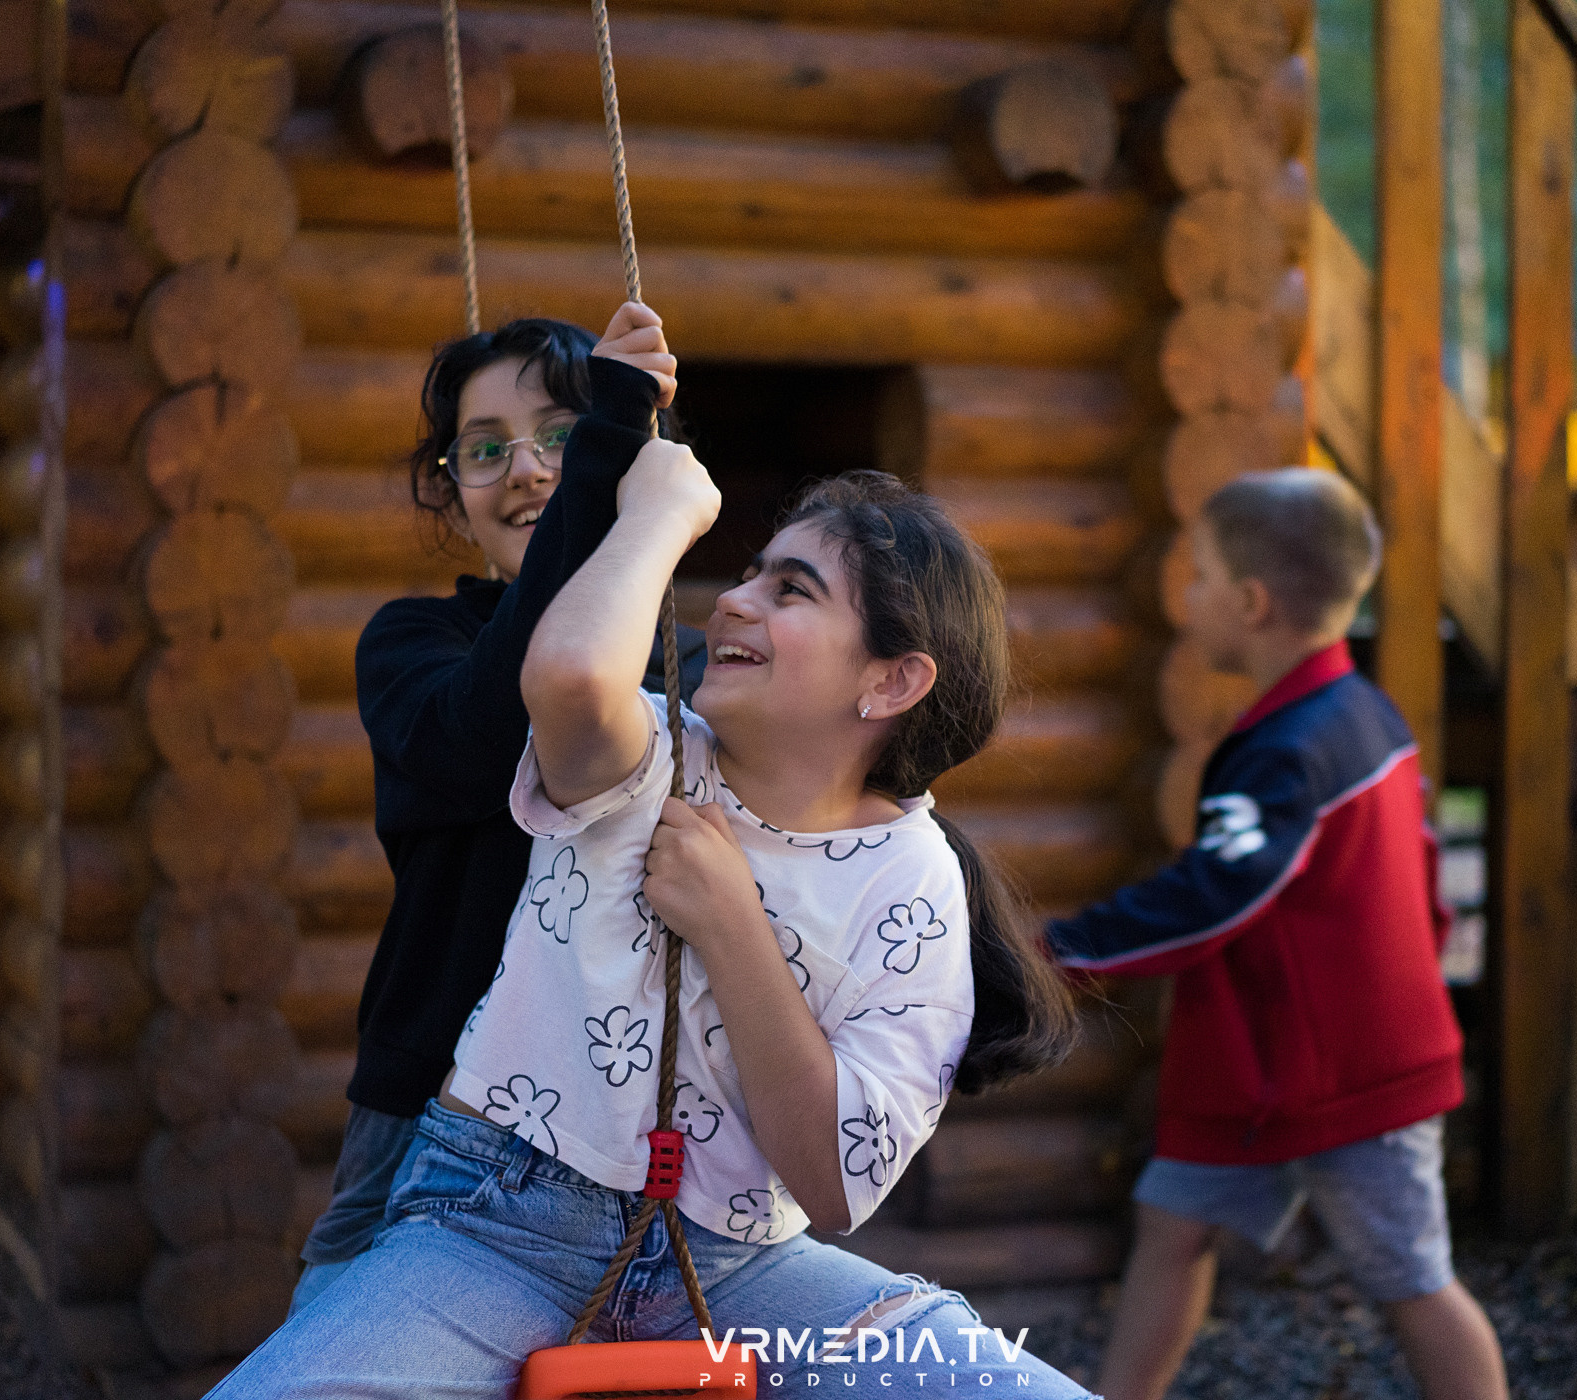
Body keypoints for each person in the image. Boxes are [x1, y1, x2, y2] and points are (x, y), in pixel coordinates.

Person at [212, 317, 1086, 1398]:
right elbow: (557, 685)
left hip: (731, 1251)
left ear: (892, 679)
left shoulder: (889, 855)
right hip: (486, 1191)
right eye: (483, 447)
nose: (735, 597)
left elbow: (840, 1175)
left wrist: (729, 917)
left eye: (788, 588)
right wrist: (654, 509)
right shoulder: (610, 720)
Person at [1048, 469, 1508, 1400]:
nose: (1190, 594)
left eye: (1203, 574)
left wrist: (1062, 951)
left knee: (1412, 1280)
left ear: (1252, 604)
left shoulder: (1287, 753)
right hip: (1256, 1066)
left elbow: (1215, 896)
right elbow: (1424, 880)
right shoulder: (1364, 714)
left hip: (1352, 1078)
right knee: (1173, 1230)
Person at [292, 307, 705, 1313]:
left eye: (561, 436)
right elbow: (498, 718)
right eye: (486, 449)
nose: (526, 469)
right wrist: (606, 444)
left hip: (628, 1114)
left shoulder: (685, 669)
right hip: (426, 1097)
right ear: (448, 486)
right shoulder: (410, 643)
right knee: (333, 1351)